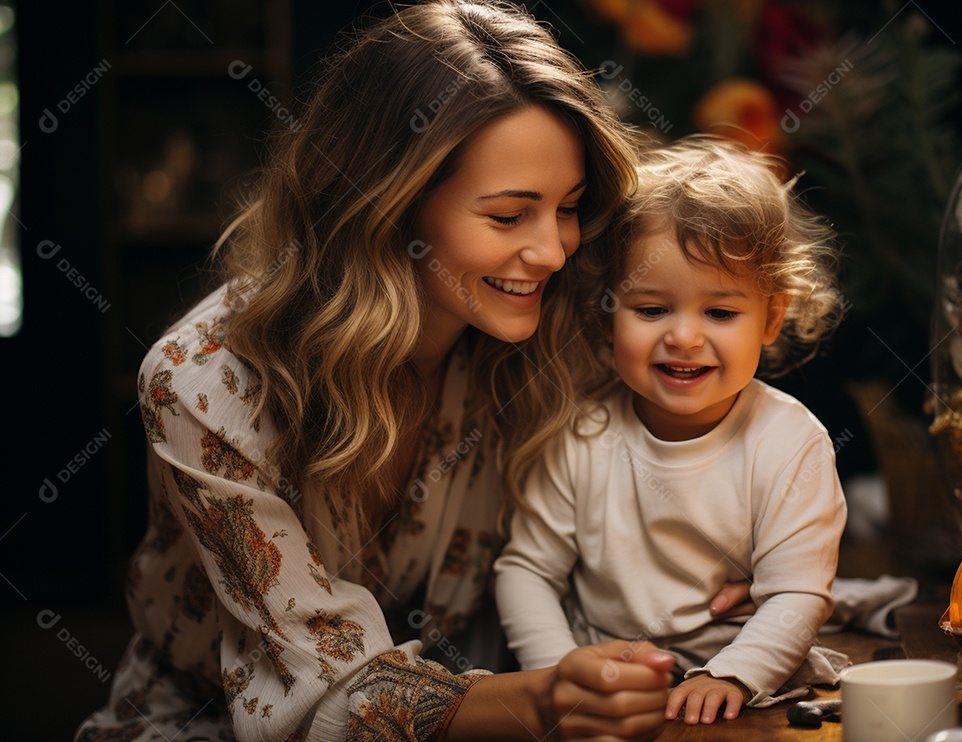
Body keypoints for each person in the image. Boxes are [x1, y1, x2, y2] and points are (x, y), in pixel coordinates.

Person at [74, 3, 755, 740]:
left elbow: (676, 448)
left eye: (569, 207)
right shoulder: (203, 385)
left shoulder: (558, 320)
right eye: (507, 216)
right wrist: (544, 699)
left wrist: (716, 546)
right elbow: (327, 698)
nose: (554, 252)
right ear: (388, 207)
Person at [494, 134, 850, 725]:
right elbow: (527, 571)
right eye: (652, 309)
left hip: (740, 688)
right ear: (609, 313)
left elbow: (796, 592)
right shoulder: (582, 434)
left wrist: (735, 672)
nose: (683, 337)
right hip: (609, 687)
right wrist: (562, 674)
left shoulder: (790, 442)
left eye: (719, 312)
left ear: (772, 316)